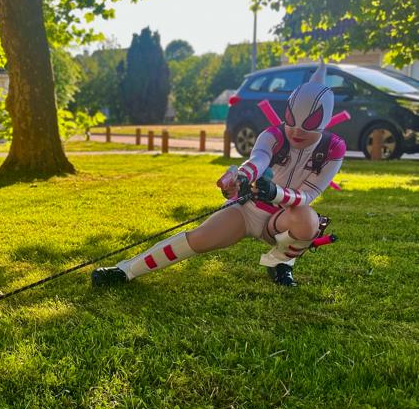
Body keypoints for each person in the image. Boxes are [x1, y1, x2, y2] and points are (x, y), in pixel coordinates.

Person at [92, 62, 345, 290]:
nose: (297, 131)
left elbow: (308, 194)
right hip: (248, 210)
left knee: (308, 220)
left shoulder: (333, 148)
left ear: (324, 121)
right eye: (291, 120)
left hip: (284, 218)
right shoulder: (273, 134)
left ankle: (280, 262)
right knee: (197, 238)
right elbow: (258, 160)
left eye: (310, 123)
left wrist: (275, 192)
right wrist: (242, 179)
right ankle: (126, 270)